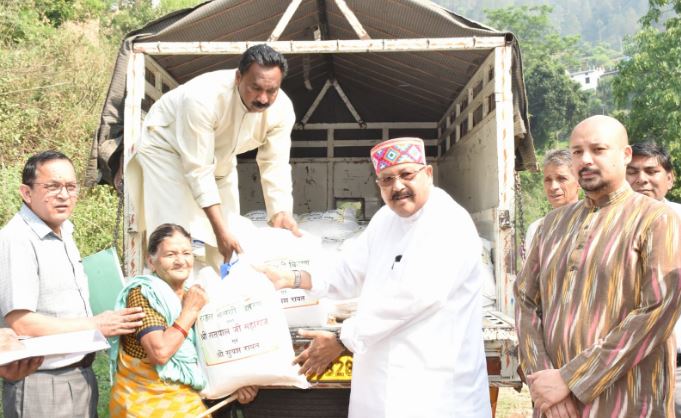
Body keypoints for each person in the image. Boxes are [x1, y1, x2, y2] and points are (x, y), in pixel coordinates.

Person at [260, 137, 491, 418]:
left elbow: (413, 296)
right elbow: (347, 270)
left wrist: (343, 339)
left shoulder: (447, 221)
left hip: (436, 389)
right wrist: (293, 278)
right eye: (387, 179)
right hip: (382, 388)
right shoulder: (385, 221)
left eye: (407, 175)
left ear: (427, 174)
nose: (398, 186)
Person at [515, 115, 681, 417]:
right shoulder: (551, 224)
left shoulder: (656, 219)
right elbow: (525, 300)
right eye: (577, 151)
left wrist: (571, 378)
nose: (585, 160)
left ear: (625, 154)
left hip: (628, 401)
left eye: (598, 149)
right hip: (556, 407)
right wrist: (543, 380)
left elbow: (658, 310)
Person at [126, 44, 300, 270]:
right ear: (238, 78)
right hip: (166, 150)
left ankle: (221, 296)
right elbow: (198, 170)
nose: (263, 99)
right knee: (176, 236)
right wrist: (219, 231)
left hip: (219, 159)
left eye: (271, 91)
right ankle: (172, 295)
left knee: (231, 233)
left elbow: (275, 163)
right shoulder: (202, 98)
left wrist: (280, 211)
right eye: (255, 88)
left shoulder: (282, 109)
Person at [0, 150, 146, 418]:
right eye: (52, 187)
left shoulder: (64, 231)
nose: (64, 195)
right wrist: (97, 324)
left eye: (70, 186)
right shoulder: (18, 238)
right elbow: (22, 322)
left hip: (79, 374)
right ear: (26, 192)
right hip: (42, 383)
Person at [109, 223, 258, 417]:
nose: (181, 261)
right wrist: (190, 311)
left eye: (186, 253)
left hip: (187, 405)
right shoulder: (143, 294)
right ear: (151, 261)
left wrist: (235, 386)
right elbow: (160, 352)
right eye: (170, 255)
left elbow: (212, 355)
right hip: (143, 406)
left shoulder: (194, 296)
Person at [625, 142, 681, 416]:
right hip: (624, 365)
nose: (641, 179)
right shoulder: (609, 226)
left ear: (670, 178)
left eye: (651, 171)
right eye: (632, 172)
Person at [524, 149, 580, 256]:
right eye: (548, 180)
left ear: (579, 182)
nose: (553, 187)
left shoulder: (590, 223)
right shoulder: (537, 229)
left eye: (561, 178)